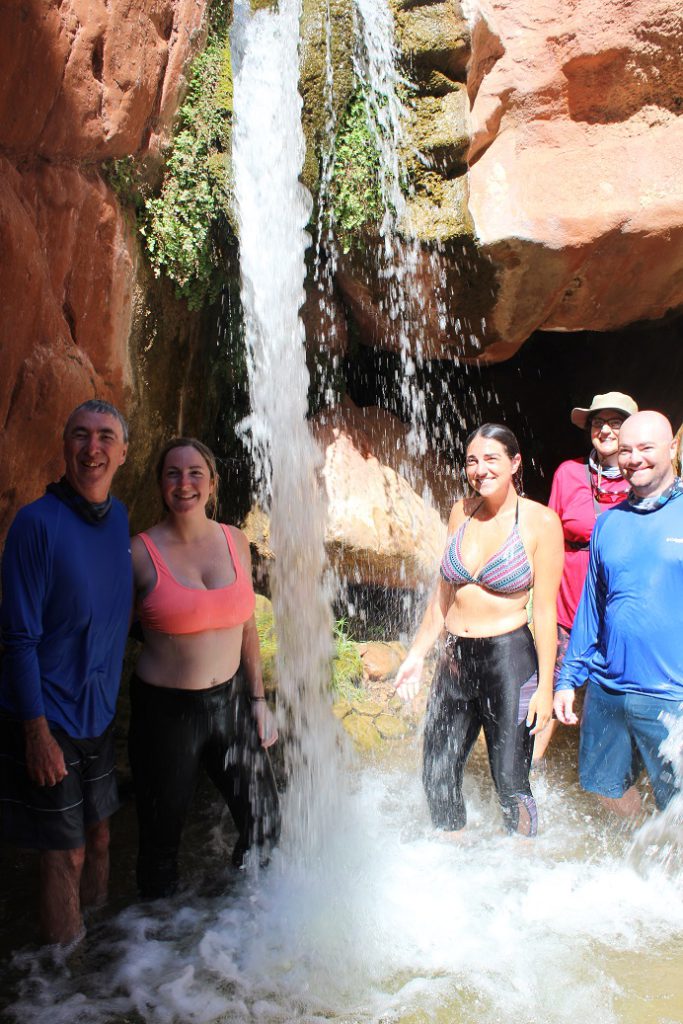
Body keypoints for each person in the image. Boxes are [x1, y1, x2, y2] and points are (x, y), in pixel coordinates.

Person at [0, 400, 131, 945]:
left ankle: (94, 944)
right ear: (64, 447)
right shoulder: (36, 525)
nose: (92, 448)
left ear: (124, 453)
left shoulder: (119, 517)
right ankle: (61, 984)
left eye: (105, 437)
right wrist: (36, 734)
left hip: (98, 716)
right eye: (80, 435)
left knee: (100, 837)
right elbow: (17, 638)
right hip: (48, 717)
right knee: (66, 851)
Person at [128, 437, 280, 898]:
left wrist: (258, 700)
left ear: (212, 483)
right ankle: (157, 951)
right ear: (160, 485)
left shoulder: (235, 540)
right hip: (166, 714)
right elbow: (109, 628)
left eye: (195, 473)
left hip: (231, 703)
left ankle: (228, 928)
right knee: (161, 842)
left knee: (266, 826)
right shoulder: (138, 552)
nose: (184, 483)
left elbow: (247, 627)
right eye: (172, 473)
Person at [395, 424, 564, 836]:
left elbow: (544, 612)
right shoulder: (461, 511)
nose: (480, 469)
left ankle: (522, 865)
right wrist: (416, 656)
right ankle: (453, 862)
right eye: (472, 460)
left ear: (514, 463)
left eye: (491, 459)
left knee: (510, 780)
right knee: (437, 774)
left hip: (509, 660)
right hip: (455, 660)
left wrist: (545, 688)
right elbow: (443, 597)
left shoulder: (541, 522)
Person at [554, 411, 683, 818]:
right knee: (603, 787)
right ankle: (643, 854)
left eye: (646, 448)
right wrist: (567, 678)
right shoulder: (608, 523)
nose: (634, 458)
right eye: (627, 450)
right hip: (607, 690)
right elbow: (591, 609)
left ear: (673, 448)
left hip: (670, 695)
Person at [533, 391, 638, 764]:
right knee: (549, 685)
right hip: (566, 607)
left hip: (618, 611)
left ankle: (615, 783)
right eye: (598, 422)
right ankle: (522, 778)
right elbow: (548, 535)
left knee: (613, 697)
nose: (605, 429)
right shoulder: (568, 473)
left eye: (615, 422)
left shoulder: (641, 480)